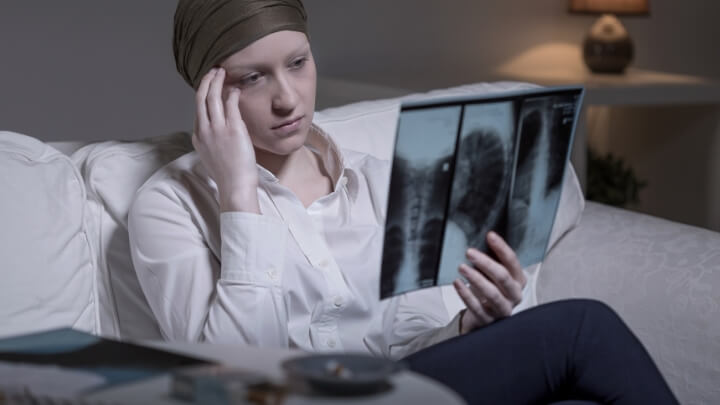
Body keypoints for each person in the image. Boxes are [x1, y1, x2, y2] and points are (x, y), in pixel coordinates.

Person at [128, 0, 679, 403]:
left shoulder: (381, 182)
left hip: (407, 392)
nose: (288, 98)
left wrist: (470, 326)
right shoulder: (168, 207)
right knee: (582, 328)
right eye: (254, 78)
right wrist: (239, 196)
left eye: (297, 63)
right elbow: (230, 380)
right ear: (210, 93)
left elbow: (411, 349)